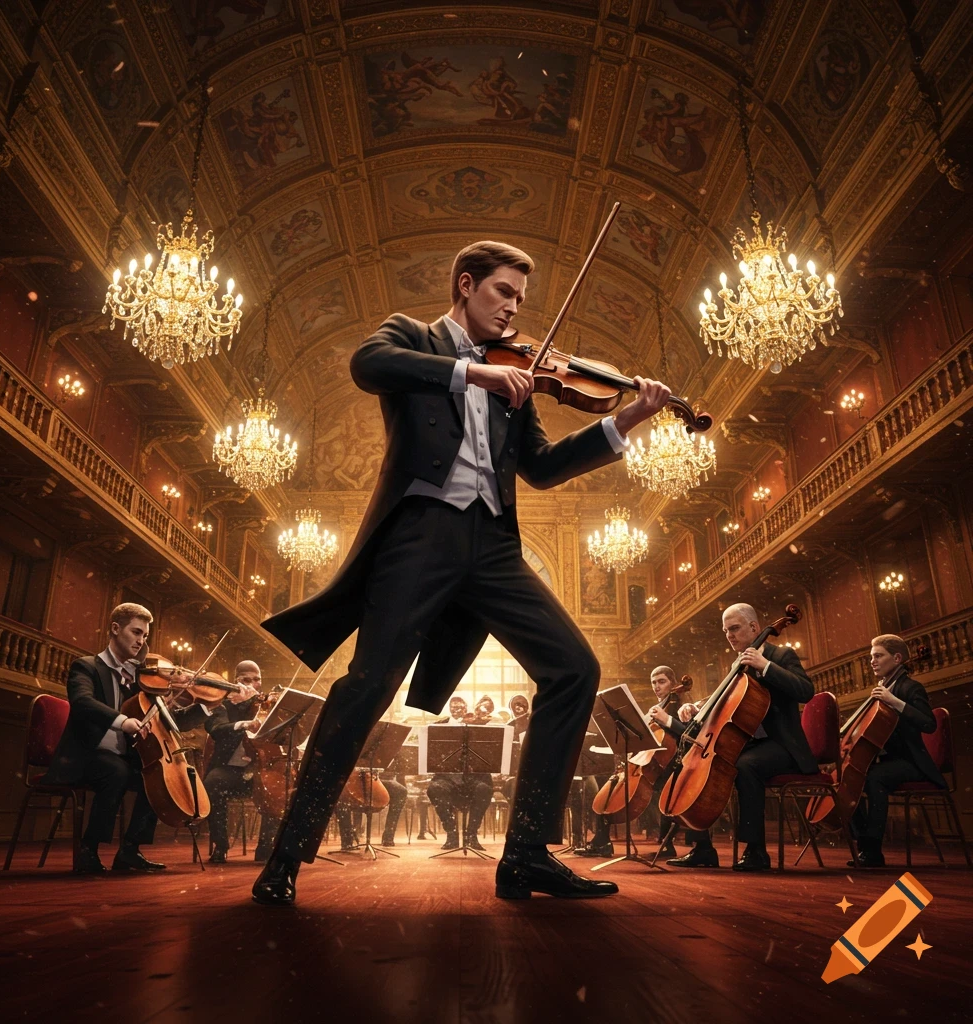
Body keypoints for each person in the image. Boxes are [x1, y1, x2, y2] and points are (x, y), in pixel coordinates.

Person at [253, 239, 671, 904]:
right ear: (467, 284)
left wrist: (627, 420)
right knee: (367, 686)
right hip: (420, 534)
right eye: (504, 291)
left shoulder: (516, 373)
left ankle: (526, 854)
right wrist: (472, 375)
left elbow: (541, 467)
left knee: (574, 669)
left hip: (494, 544)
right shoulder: (414, 338)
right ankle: (285, 857)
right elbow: (368, 364)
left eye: (520, 299)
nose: (513, 309)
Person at [44, 602, 202, 874]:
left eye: (145, 636)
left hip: (120, 758)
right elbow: (82, 702)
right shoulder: (86, 667)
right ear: (116, 629)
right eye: (136, 632)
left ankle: (130, 850)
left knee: (156, 777)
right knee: (115, 771)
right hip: (84, 756)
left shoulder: (141, 679)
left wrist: (205, 706)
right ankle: (88, 850)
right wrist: (122, 721)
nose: (141, 641)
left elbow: (171, 723)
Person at [668, 603, 817, 871]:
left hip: (783, 746)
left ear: (754, 627)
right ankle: (703, 848)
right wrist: (697, 707)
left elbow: (806, 691)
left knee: (745, 766)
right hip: (751, 743)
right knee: (705, 765)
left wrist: (765, 665)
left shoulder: (780, 655)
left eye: (735, 628)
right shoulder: (737, 665)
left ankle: (756, 851)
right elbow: (724, 702)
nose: (730, 635)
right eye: (726, 631)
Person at [848, 634, 945, 868]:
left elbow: (928, 724)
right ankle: (864, 842)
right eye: (871, 657)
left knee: (874, 778)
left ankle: (872, 850)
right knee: (850, 779)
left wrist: (895, 702)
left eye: (878, 656)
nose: (872, 661)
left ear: (897, 658)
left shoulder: (910, 687)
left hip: (912, 763)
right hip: (888, 762)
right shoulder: (882, 689)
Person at [202, 660, 280, 864]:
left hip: (260, 770)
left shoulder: (268, 706)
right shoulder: (221, 705)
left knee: (277, 786)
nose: (253, 685)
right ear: (235, 681)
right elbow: (217, 729)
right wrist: (244, 721)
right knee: (212, 782)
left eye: (257, 680)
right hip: (232, 771)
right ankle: (221, 845)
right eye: (246, 680)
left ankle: (265, 846)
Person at [646, 666, 717, 866]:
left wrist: (666, 720)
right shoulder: (659, 706)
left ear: (673, 682)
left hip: (689, 759)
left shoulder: (683, 704)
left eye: (662, 681)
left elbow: (691, 734)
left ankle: (701, 847)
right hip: (668, 760)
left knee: (670, 783)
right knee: (659, 784)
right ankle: (667, 841)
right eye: (653, 682)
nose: (657, 686)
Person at [427, 694, 497, 851]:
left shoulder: (481, 725)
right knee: (435, 789)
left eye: (461, 706)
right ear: (449, 709)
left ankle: (471, 834)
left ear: (467, 708)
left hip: (474, 777)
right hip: (447, 778)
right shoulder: (438, 726)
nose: (457, 709)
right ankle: (451, 833)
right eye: (453, 706)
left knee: (484, 789)